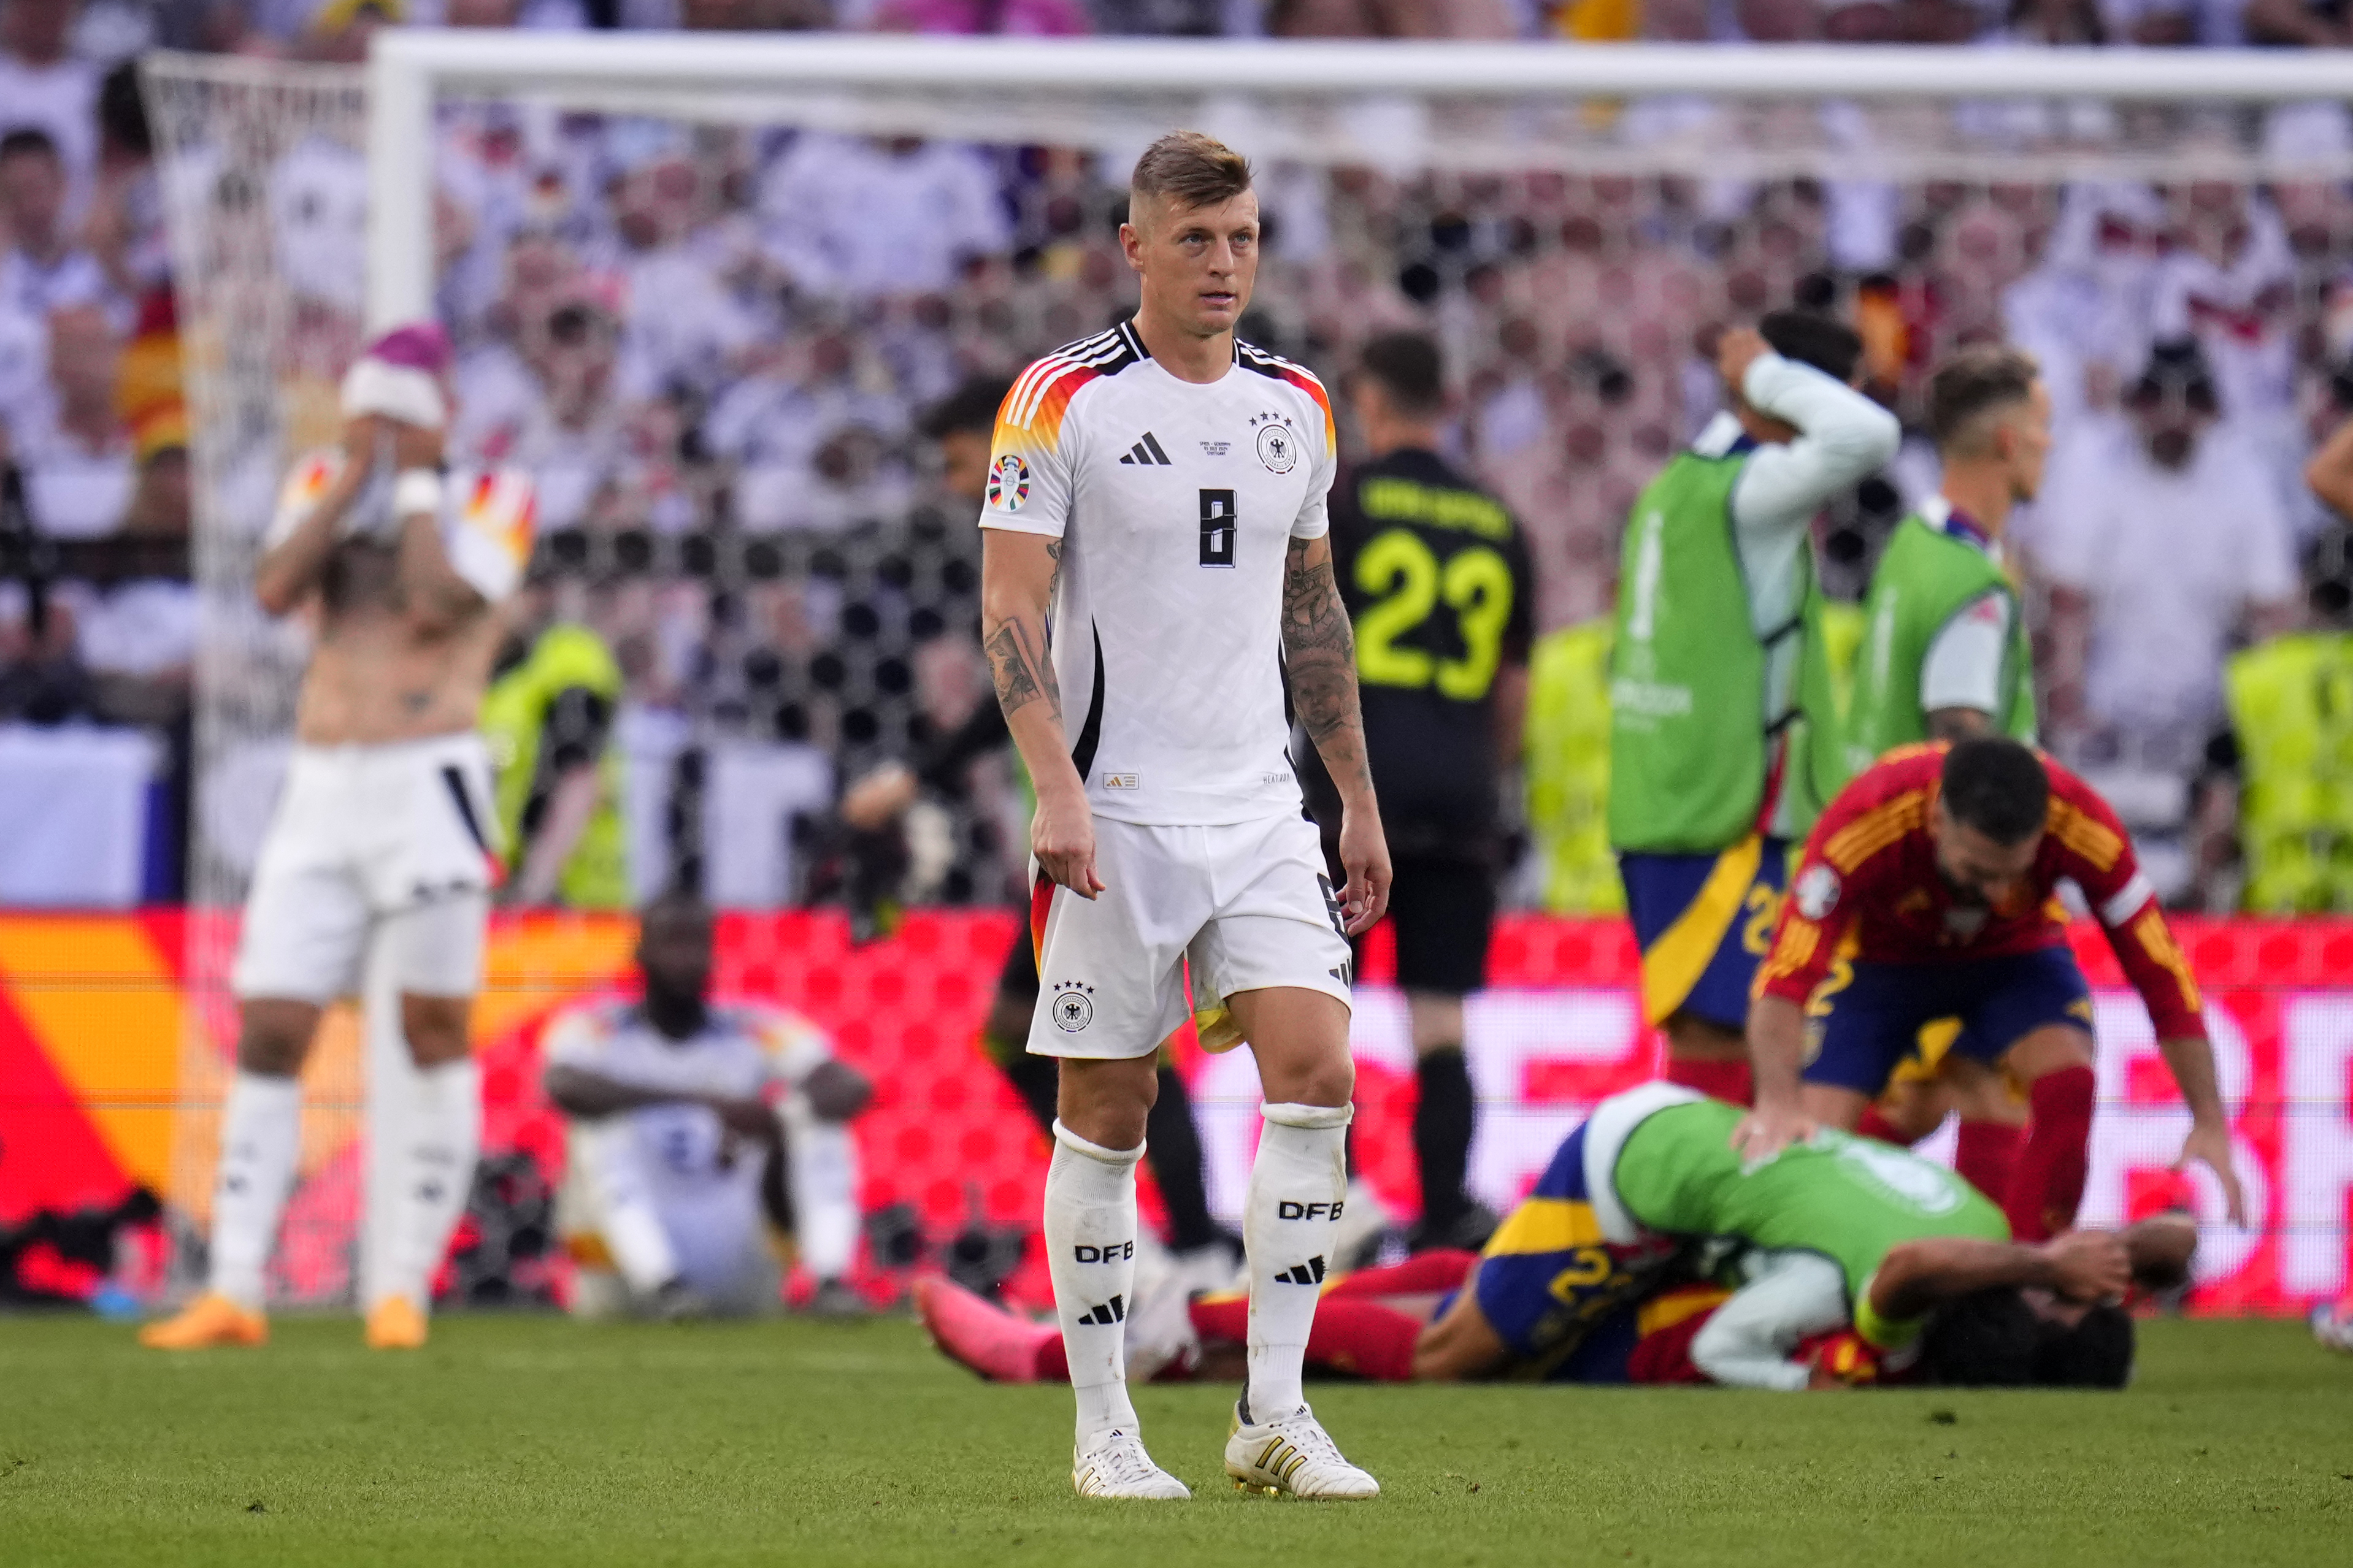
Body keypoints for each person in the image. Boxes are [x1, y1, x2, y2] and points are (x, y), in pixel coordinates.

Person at [979, 131, 1388, 1501]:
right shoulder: (1060, 400)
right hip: (1121, 807)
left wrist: (1355, 802)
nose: (1226, 264)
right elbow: (1011, 606)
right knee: (1107, 1104)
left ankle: (1271, 1410)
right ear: (1136, 246)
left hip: (1261, 803)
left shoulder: (1299, 407)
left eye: (1245, 238)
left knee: (1317, 1077)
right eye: (1198, 239)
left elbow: (1310, 611)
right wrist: (1054, 784)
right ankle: (1104, 1428)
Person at [141, 323, 534, 1351]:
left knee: (431, 1028)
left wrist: (412, 487)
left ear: (444, 413)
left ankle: (400, 1286)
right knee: (273, 1023)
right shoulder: (324, 479)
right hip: (321, 785)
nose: (388, 429)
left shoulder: (495, 498)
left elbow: (437, 608)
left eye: (403, 414)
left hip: (429, 781)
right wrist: (359, 469)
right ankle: (234, 1286)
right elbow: (274, 588)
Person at [918, 1085, 2186, 1391]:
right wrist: (2055, 1262)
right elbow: (1896, 1279)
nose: (2070, 1290)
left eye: (2075, 1302)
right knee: (1450, 1355)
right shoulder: (1921, 1291)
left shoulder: (1961, 1222)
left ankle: (1163, 1319)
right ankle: (1150, 1336)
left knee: (1479, 1282)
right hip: (1642, 1185)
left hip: (1669, 1167)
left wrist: (2092, 1252)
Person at [838, 375, 1234, 1279]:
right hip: (1097, 818)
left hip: (1127, 808)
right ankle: (1184, 1242)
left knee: (1121, 1037)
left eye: (956, 462)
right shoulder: (1070, 521)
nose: (950, 484)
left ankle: (1200, 1250)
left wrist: (914, 778)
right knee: (1039, 1030)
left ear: (1000, 441)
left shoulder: (1076, 523)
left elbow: (1027, 676)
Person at [1739, 736, 2245, 1243]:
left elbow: (2160, 969)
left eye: (2013, 874)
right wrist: (1779, 1103)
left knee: (2069, 1082)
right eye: (1978, 873)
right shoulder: (1868, 817)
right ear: (1936, 819)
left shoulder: (2081, 822)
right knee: (1815, 1142)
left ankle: (2030, 1288)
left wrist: (2209, 1119)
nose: (1998, 893)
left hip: (2014, 957)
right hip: (1884, 964)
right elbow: (1786, 974)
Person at [1610, 313, 1900, 1106]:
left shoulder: (1677, 487)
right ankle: (1702, 1219)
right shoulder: (1751, 493)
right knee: (1733, 1035)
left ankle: (1710, 1220)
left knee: (1724, 1032)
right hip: (1729, 811)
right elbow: (1870, 437)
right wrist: (1765, 372)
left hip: (1667, 793)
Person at [1299, 329, 1536, 1253]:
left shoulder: (1347, 498)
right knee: (1441, 1017)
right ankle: (1444, 1220)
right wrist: (1481, 768)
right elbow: (1515, 688)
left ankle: (1337, 1213)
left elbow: (1310, 633)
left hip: (1355, 790)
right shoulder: (1497, 518)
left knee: (1322, 1008)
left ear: (1370, 396)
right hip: (1461, 793)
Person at [544, 892, 872, 1318]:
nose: (687, 958)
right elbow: (564, 1085)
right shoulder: (595, 1027)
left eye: (697, 943)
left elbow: (849, 1087)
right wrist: (706, 1104)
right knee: (601, 1123)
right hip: (620, 1272)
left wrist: (776, 1119)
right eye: (671, 942)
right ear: (640, 952)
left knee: (819, 1122)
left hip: (734, 1256)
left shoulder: (754, 1028)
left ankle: (830, 1282)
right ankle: (663, 1284)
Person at [480, 576, 631, 909]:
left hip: (574, 898)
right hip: (505, 890)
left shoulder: (569, 657)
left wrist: (532, 891)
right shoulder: (492, 673)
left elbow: (580, 778)